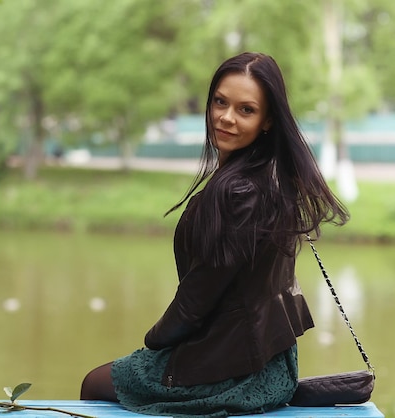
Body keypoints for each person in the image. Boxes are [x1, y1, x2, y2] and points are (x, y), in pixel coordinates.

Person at [79, 52, 349, 417]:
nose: (226, 117)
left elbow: (193, 305)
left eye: (245, 110)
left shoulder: (238, 192)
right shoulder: (269, 180)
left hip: (232, 372)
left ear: (267, 120)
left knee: (93, 384)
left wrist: (153, 343)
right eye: (220, 102)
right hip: (271, 365)